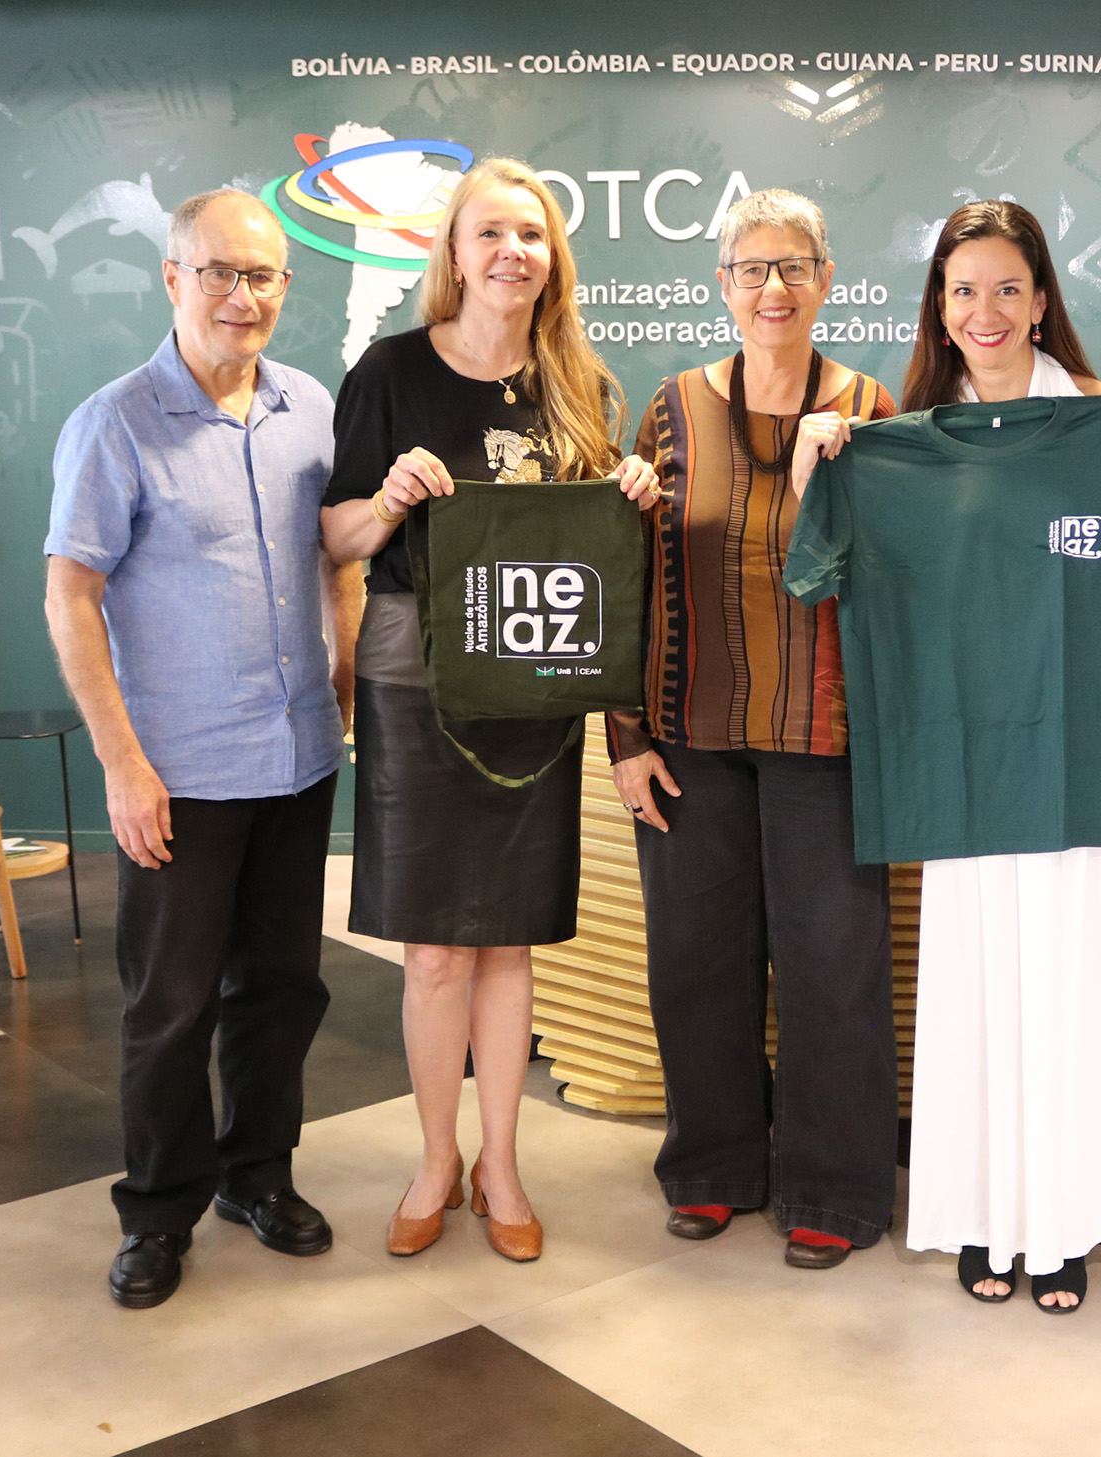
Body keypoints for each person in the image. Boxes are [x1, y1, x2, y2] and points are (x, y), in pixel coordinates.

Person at [793, 200, 1101, 1311]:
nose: (986, 310)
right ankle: (985, 1210)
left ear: (1041, 302)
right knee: (977, 992)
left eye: (1008, 288)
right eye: (964, 289)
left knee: (1084, 985)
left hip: (1090, 755)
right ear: (939, 307)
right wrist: (818, 463)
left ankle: (1062, 1221)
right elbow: (815, 564)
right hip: (965, 758)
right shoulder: (897, 442)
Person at [321, 158, 655, 1264]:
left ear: (553, 257)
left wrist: (630, 497)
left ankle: (500, 1163)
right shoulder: (388, 371)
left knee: (509, 941)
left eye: (532, 233)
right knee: (432, 952)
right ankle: (435, 1159)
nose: (514, 251)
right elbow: (337, 536)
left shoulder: (579, 385)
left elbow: (592, 546)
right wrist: (388, 499)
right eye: (491, 233)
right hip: (415, 676)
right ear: (454, 255)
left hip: (531, 681)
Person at [45, 189, 352, 1308]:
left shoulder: (309, 407)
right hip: (177, 773)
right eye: (218, 272)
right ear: (173, 277)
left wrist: (346, 668)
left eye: (261, 275)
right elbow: (71, 596)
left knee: (281, 988)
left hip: (298, 756)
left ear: (284, 287)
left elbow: (339, 554)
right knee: (170, 1005)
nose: (241, 295)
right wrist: (122, 762)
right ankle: (157, 1208)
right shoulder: (115, 422)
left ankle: (257, 1175)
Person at [607, 188, 897, 1270]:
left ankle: (832, 1187)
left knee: (834, 968)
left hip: (829, 736)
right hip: (688, 732)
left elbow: (897, 578)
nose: (773, 288)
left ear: (826, 281)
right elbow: (629, 573)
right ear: (723, 285)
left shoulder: (872, 409)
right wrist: (626, 735)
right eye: (751, 269)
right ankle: (714, 1166)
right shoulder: (670, 409)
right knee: (695, 962)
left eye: (793, 267)